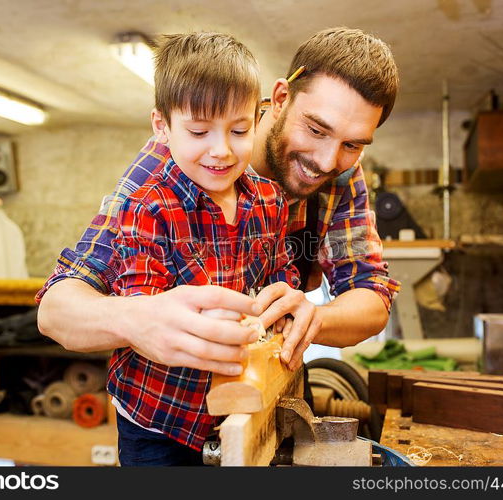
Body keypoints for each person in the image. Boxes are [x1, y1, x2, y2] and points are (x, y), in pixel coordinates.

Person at [37, 26, 400, 399]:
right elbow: (56, 309)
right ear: (279, 99)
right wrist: (136, 318)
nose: (327, 161)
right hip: (178, 404)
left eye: (352, 144)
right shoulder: (178, 160)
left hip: (273, 385)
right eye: (315, 129)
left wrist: (316, 318)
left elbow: (371, 296)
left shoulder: (342, 172)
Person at [105, 32, 299, 465]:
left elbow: (281, 273)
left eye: (239, 129)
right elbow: (141, 313)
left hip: (237, 405)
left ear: (259, 117)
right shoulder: (146, 208)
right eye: (198, 131)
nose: (221, 150)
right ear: (162, 126)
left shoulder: (269, 201)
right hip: (158, 417)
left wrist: (282, 299)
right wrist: (211, 319)